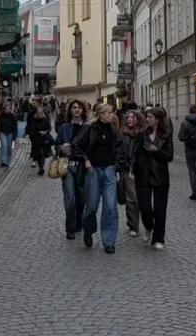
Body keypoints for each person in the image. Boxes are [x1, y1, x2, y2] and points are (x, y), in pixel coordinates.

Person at [73, 103, 125, 253]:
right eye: (108, 113)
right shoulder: (89, 128)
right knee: (92, 207)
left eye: (112, 112)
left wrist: (116, 166)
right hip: (93, 171)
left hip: (108, 170)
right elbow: (76, 145)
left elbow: (121, 149)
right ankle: (88, 231)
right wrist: (85, 160)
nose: (112, 115)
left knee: (110, 207)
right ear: (101, 114)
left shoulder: (113, 131)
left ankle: (109, 241)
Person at [131, 107, 173, 250]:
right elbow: (136, 153)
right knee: (145, 207)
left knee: (160, 209)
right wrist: (133, 170)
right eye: (147, 117)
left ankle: (158, 238)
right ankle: (149, 226)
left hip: (160, 175)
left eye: (149, 117)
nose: (147, 119)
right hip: (143, 174)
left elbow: (170, 156)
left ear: (157, 120)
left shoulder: (165, 135)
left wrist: (158, 151)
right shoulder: (142, 134)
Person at [55, 99, 88, 239]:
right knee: (69, 198)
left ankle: (79, 221)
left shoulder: (87, 127)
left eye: (79, 108)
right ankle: (70, 227)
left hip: (83, 168)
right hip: (67, 166)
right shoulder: (64, 127)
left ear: (83, 111)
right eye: (74, 108)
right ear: (70, 111)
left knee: (80, 199)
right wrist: (60, 148)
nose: (76, 110)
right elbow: (56, 144)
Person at [120, 109, 144, 237]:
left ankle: (142, 222)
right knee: (131, 198)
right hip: (125, 169)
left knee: (139, 198)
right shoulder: (122, 134)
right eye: (128, 117)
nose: (130, 119)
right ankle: (133, 225)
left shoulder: (142, 134)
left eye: (133, 117)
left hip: (139, 170)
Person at [29, 105, 53, 175]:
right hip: (36, 139)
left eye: (40, 113)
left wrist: (45, 132)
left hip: (44, 139)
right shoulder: (33, 120)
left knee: (42, 153)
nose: (39, 114)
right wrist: (38, 132)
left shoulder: (45, 120)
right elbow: (32, 130)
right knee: (38, 154)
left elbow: (49, 128)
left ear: (42, 113)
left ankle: (41, 168)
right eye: (38, 113)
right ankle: (40, 167)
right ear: (36, 113)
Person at [0, 102, 17, 168]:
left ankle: (8, 161)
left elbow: (15, 127)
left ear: (10, 109)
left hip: (10, 133)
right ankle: (2, 161)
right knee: (4, 146)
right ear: (4, 109)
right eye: (6, 108)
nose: (7, 109)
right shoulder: (1, 116)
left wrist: (14, 136)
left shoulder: (12, 117)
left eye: (8, 108)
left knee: (9, 148)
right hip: (3, 132)